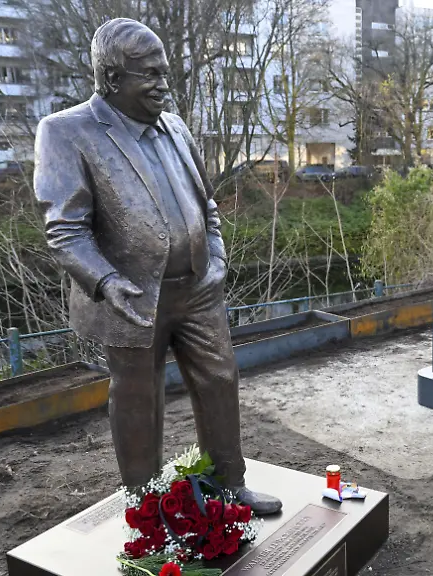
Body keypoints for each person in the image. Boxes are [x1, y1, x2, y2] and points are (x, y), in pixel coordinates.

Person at [33, 18, 281, 515]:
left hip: (198, 289)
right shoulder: (65, 131)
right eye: (149, 74)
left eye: (164, 72)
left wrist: (216, 257)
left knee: (220, 380)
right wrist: (105, 281)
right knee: (139, 399)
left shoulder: (175, 126)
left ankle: (228, 485)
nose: (163, 85)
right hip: (128, 296)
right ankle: (147, 507)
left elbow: (206, 205)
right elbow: (64, 228)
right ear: (111, 79)